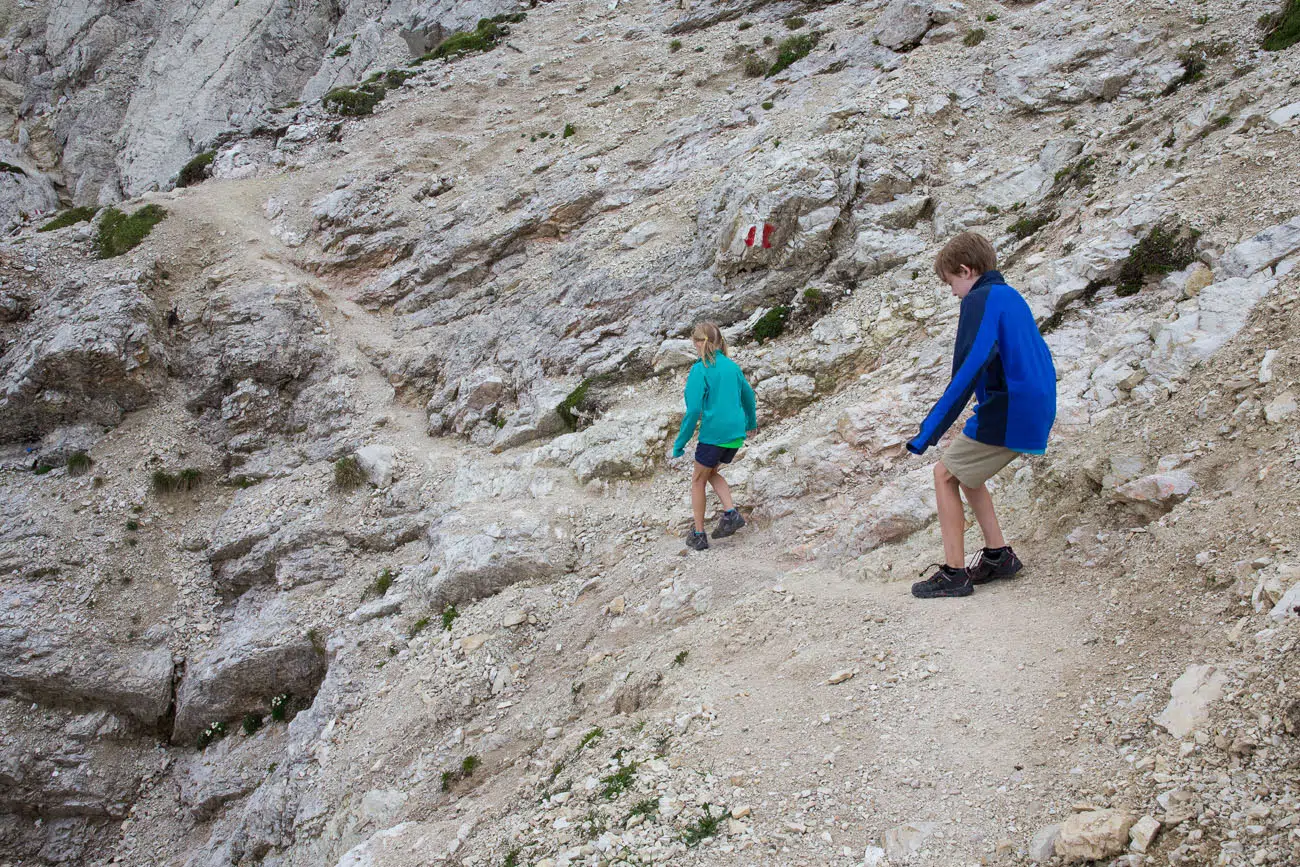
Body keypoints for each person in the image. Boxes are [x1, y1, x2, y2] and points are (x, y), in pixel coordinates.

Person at [906, 232, 1056, 598]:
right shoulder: (1010, 294)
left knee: (944, 474)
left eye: (950, 282)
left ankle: (954, 573)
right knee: (968, 475)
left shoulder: (980, 299)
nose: (953, 292)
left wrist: (928, 431)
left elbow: (969, 367)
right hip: (1032, 402)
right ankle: (998, 555)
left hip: (1011, 406)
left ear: (965, 270)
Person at [670, 321, 759, 551]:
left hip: (714, 434)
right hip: (735, 435)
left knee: (698, 480)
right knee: (711, 473)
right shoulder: (731, 366)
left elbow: (692, 411)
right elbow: (748, 397)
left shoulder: (700, 370)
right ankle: (730, 513)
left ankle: (699, 534)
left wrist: (680, 443)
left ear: (700, 342)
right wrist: (751, 423)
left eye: (695, 342)